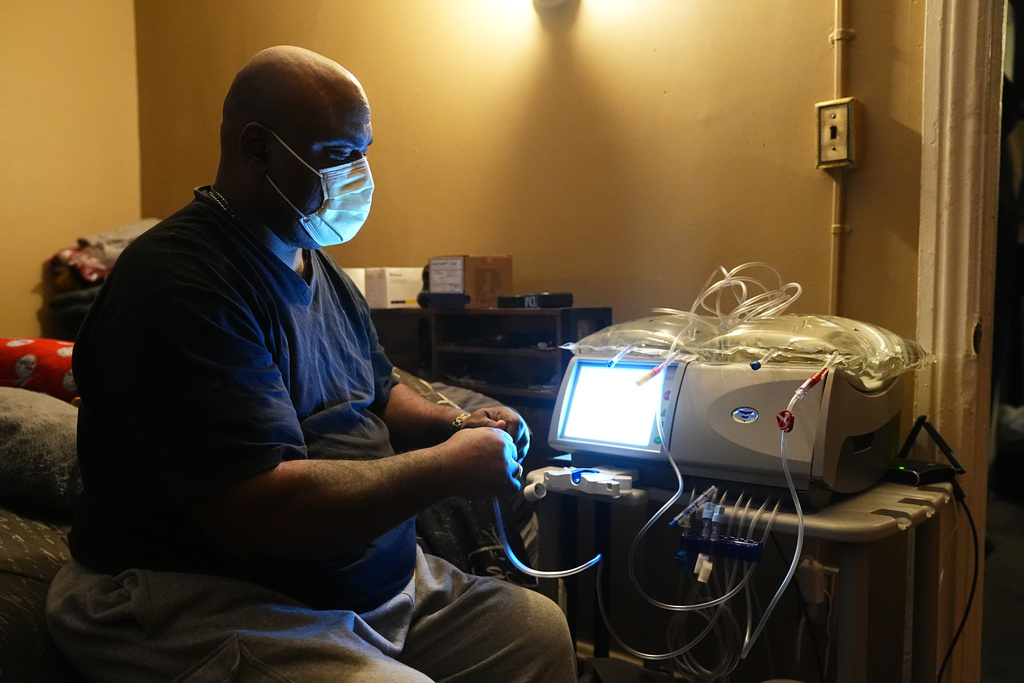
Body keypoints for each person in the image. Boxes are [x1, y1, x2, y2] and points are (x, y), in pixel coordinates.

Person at [46, 45, 577, 683]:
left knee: (534, 633)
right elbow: (258, 512)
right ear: (257, 148)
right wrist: (445, 469)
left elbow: (378, 396)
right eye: (334, 156)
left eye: (363, 151)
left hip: (363, 592)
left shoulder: (313, 261)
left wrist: (455, 426)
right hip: (213, 597)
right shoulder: (180, 286)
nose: (357, 175)